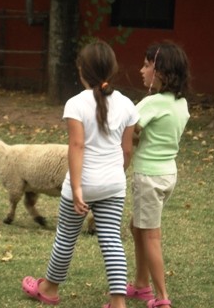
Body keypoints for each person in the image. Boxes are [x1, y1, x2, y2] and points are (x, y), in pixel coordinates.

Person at [21, 40, 139, 308]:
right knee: (112, 242)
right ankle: (118, 302)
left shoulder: (75, 104)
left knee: (66, 236)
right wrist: (114, 175)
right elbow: (127, 150)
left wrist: (76, 189)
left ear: (81, 70)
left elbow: (76, 146)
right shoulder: (128, 105)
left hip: (82, 185)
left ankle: (49, 289)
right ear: (112, 69)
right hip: (113, 185)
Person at [127, 41, 190, 308]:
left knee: (150, 234)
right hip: (167, 176)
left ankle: (162, 297)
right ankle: (141, 284)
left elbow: (128, 128)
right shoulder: (181, 104)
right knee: (136, 227)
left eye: (146, 65)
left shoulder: (151, 103)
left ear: (161, 72)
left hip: (148, 178)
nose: (141, 70)